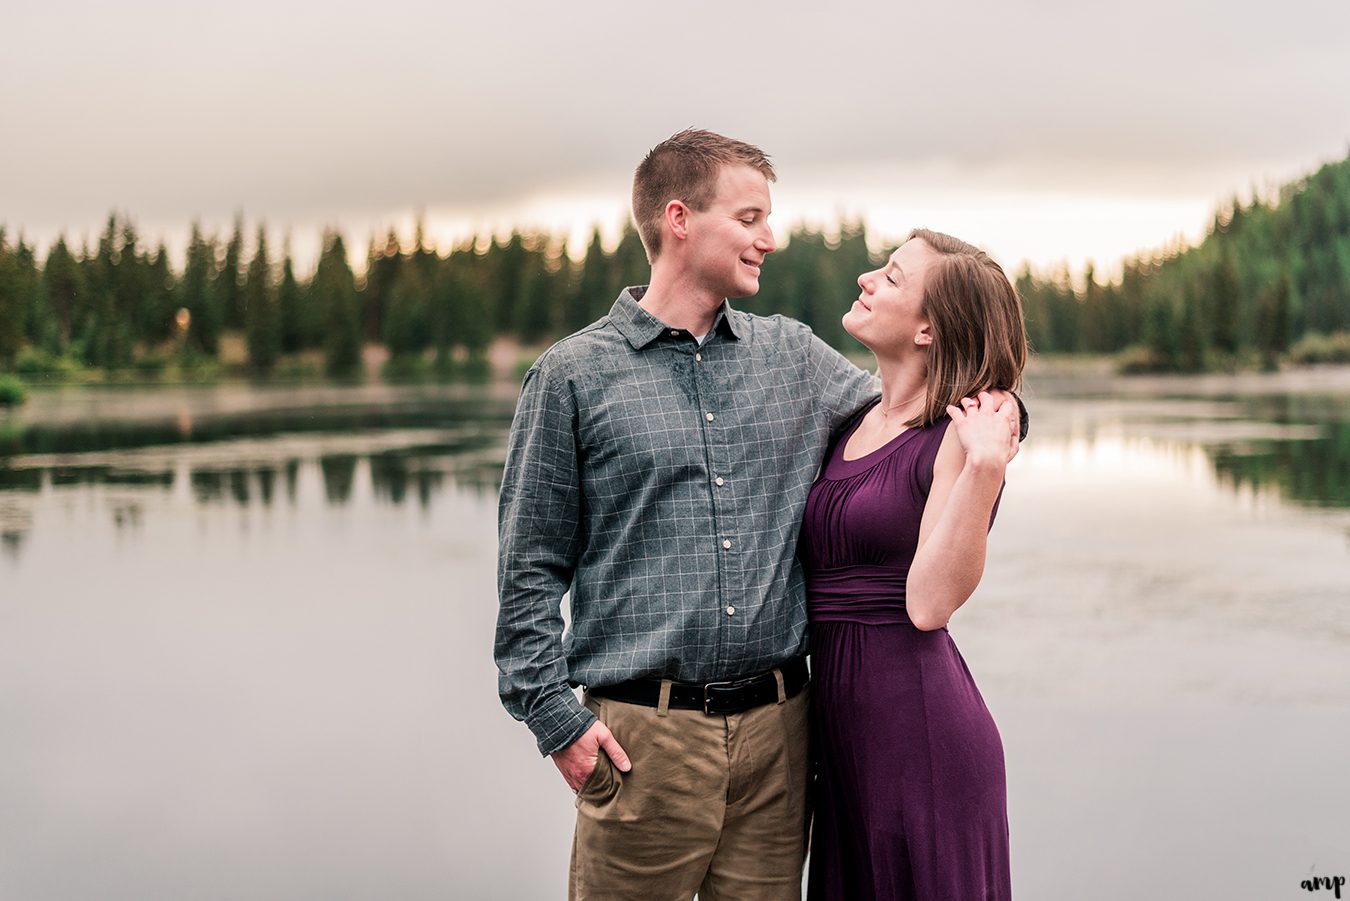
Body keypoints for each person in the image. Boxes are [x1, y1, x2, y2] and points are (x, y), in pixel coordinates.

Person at [495, 129, 1022, 900]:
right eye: (749, 219)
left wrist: (1004, 411)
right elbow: (528, 569)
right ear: (680, 220)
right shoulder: (573, 376)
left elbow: (919, 411)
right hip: (646, 743)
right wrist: (556, 722)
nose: (768, 239)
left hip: (784, 742)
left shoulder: (794, 359)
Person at [800, 228, 1027, 901]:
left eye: (892, 277)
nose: (868, 278)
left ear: (929, 329)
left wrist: (986, 465)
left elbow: (929, 603)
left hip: (919, 743)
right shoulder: (850, 419)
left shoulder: (962, 438)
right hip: (841, 743)